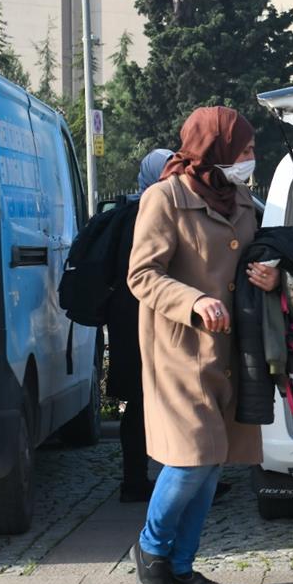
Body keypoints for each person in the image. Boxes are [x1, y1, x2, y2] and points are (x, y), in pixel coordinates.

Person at [128, 107, 278, 584]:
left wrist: (271, 277)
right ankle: (150, 547)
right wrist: (193, 301)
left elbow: (255, 259)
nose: (250, 158)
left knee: (214, 460)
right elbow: (142, 275)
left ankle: (182, 565)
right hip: (179, 349)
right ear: (216, 149)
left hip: (233, 349)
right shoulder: (164, 198)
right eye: (244, 150)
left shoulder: (242, 201)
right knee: (192, 457)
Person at [110, 149, 174, 502]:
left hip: (128, 320)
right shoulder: (148, 213)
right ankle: (145, 480)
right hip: (141, 321)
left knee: (141, 401)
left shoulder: (127, 212)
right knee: (145, 401)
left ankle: (142, 479)